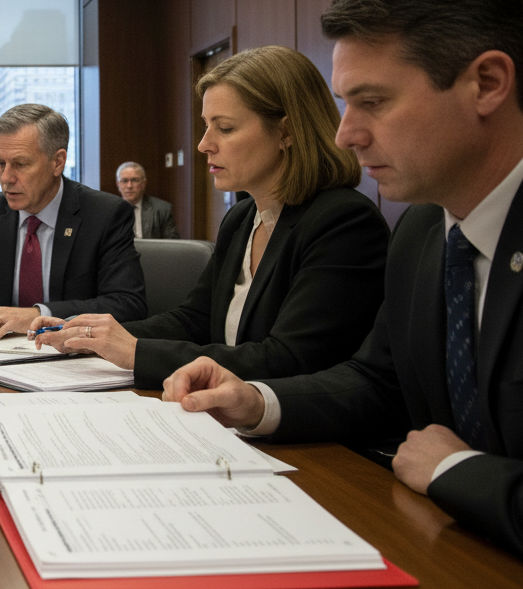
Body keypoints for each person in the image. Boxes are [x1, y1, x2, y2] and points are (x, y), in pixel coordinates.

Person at [164, 0, 523, 574]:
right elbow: (378, 380)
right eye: (345, 104)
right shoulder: (425, 230)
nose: (345, 133)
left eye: (373, 102)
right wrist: (255, 401)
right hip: (448, 557)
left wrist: (458, 472)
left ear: (487, 83)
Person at [32, 46, 389, 389]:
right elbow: (194, 320)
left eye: (226, 128)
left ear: (286, 131)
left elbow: (290, 359)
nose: (204, 144)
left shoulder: (343, 223)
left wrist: (136, 352)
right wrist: (92, 333)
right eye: (206, 126)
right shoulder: (242, 218)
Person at [0, 103, 145, 337]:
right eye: (1, 163)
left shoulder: (104, 215)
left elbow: (126, 304)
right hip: (0, 358)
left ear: (57, 162)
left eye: (20, 164)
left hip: (76, 357)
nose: (6, 178)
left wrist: (37, 315)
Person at [116, 161, 178, 239]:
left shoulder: (161, 209)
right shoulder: (110, 210)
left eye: (135, 180)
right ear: (118, 184)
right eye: (124, 181)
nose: (129, 186)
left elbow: (172, 243)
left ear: (143, 183)